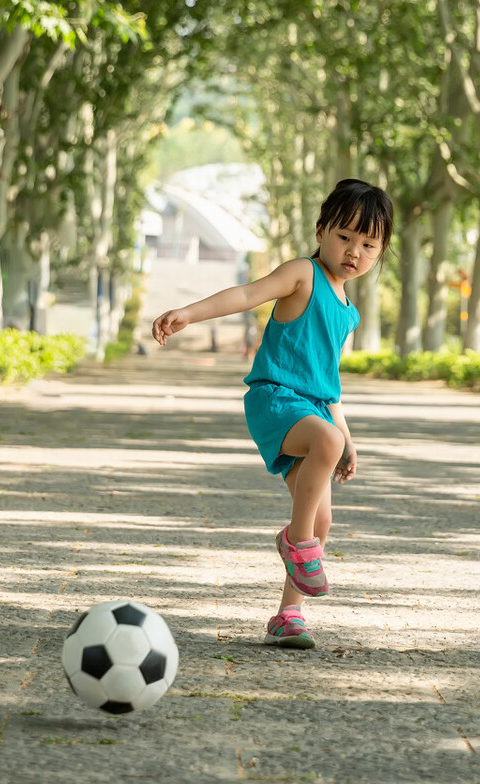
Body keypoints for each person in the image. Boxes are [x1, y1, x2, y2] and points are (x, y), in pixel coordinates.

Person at [151, 178, 394, 650]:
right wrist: (188, 314)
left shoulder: (349, 310)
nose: (354, 252)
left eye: (368, 245)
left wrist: (346, 434)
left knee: (322, 519)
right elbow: (246, 295)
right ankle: (295, 541)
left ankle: (288, 615)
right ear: (322, 230)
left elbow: (329, 380)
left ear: (379, 252)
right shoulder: (303, 273)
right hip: (275, 399)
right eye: (345, 236)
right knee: (325, 450)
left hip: (315, 410)